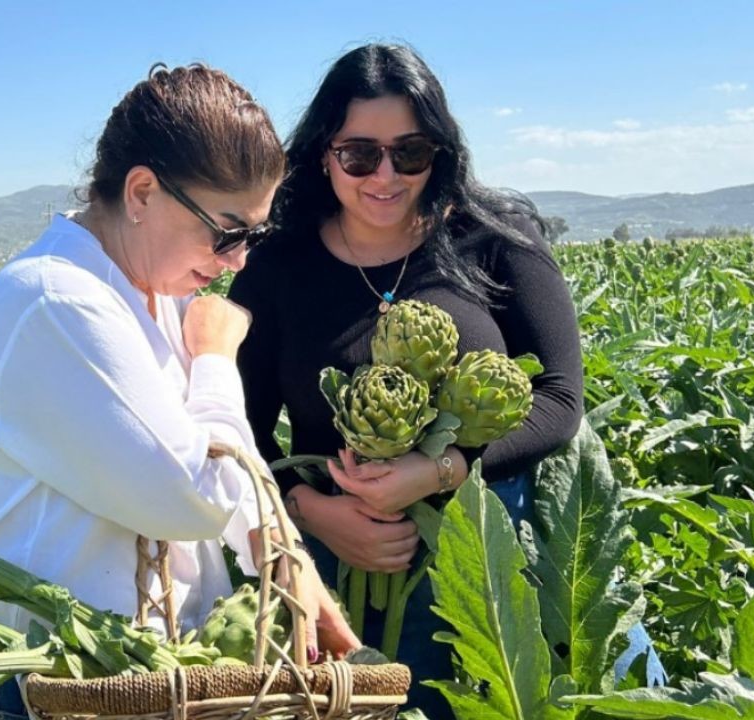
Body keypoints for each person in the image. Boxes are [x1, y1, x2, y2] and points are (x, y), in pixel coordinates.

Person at [0, 64, 359, 720]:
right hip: (34, 688)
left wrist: (288, 563)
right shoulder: (54, 302)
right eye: (228, 231)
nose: (238, 261)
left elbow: (225, 469)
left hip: (136, 683)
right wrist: (214, 359)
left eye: (255, 237)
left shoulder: (155, 290)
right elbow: (194, 493)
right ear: (143, 192)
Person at [228, 43, 584, 715]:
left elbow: (560, 399)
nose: (385, 175)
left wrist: (443, 470)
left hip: (486, 565)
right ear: (324, 154)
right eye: (359, 154)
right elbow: (235, 425)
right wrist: (311, 516)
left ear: (439, 152)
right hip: (328, 574)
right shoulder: (279, 264)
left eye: (409, 153)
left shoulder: (496, 238)